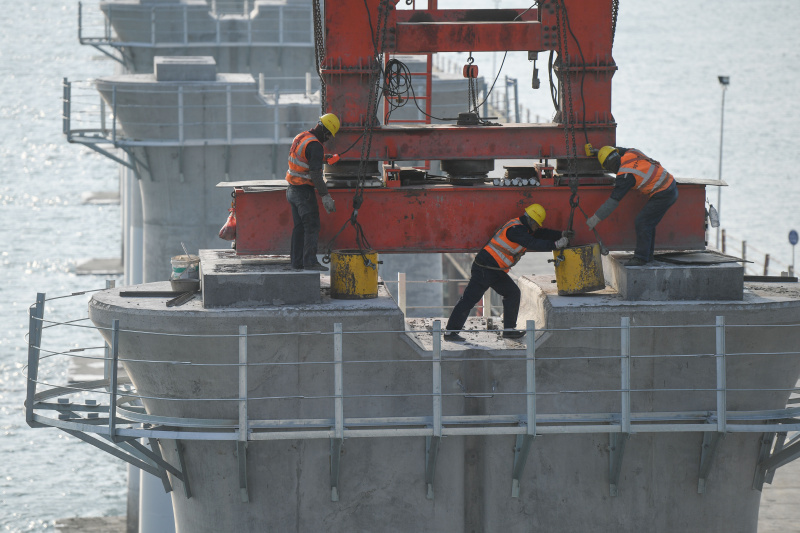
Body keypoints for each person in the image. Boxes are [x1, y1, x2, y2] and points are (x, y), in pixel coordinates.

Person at [444, 204, 570, 341]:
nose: (537, 227)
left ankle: (509, 330)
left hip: (495, 270)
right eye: (537, 224)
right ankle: (451, 332)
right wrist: (556, 245)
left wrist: (560, 234)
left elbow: (542, 234)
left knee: (512, 293)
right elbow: (532, 243)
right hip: (485, 269)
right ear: (531, 221)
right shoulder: (515, 230)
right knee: (469, 299)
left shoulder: (521, 227)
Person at [585, 145, 679, 267]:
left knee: (643, 221)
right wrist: (599, 152)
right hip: (670, 184)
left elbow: (613, 201)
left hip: (664, 193)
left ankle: (641, 258)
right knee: (649, 222)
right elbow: (619, 149)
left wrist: (595, 219)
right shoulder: (633, 153)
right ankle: (647, 256)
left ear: (608, 167)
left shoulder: (625, 176)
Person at [285, 113, 340, 271]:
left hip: (292, 189)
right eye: (329, 135)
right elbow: (315, 174)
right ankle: (309, 261)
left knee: (299, 227)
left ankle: (297, 262)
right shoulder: (315, 145)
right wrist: (326, 196)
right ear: (325, 130)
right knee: (312, 225)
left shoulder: (302, 136)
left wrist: (323, 157)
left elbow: (304, 158)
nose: (328, 139)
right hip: (303, 191)